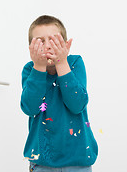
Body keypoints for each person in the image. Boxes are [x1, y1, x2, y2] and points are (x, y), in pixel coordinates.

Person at [21, 15, 98, 172]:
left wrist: (62, 63)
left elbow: (77, 105)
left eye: (53, 40)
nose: (47, 46)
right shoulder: (30, 70)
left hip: (78, 160)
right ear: (31, 47)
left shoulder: (75, 63)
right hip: (42, 160)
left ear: (66, 45)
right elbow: (30, 108)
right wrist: (39, 67)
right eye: (40, 41)